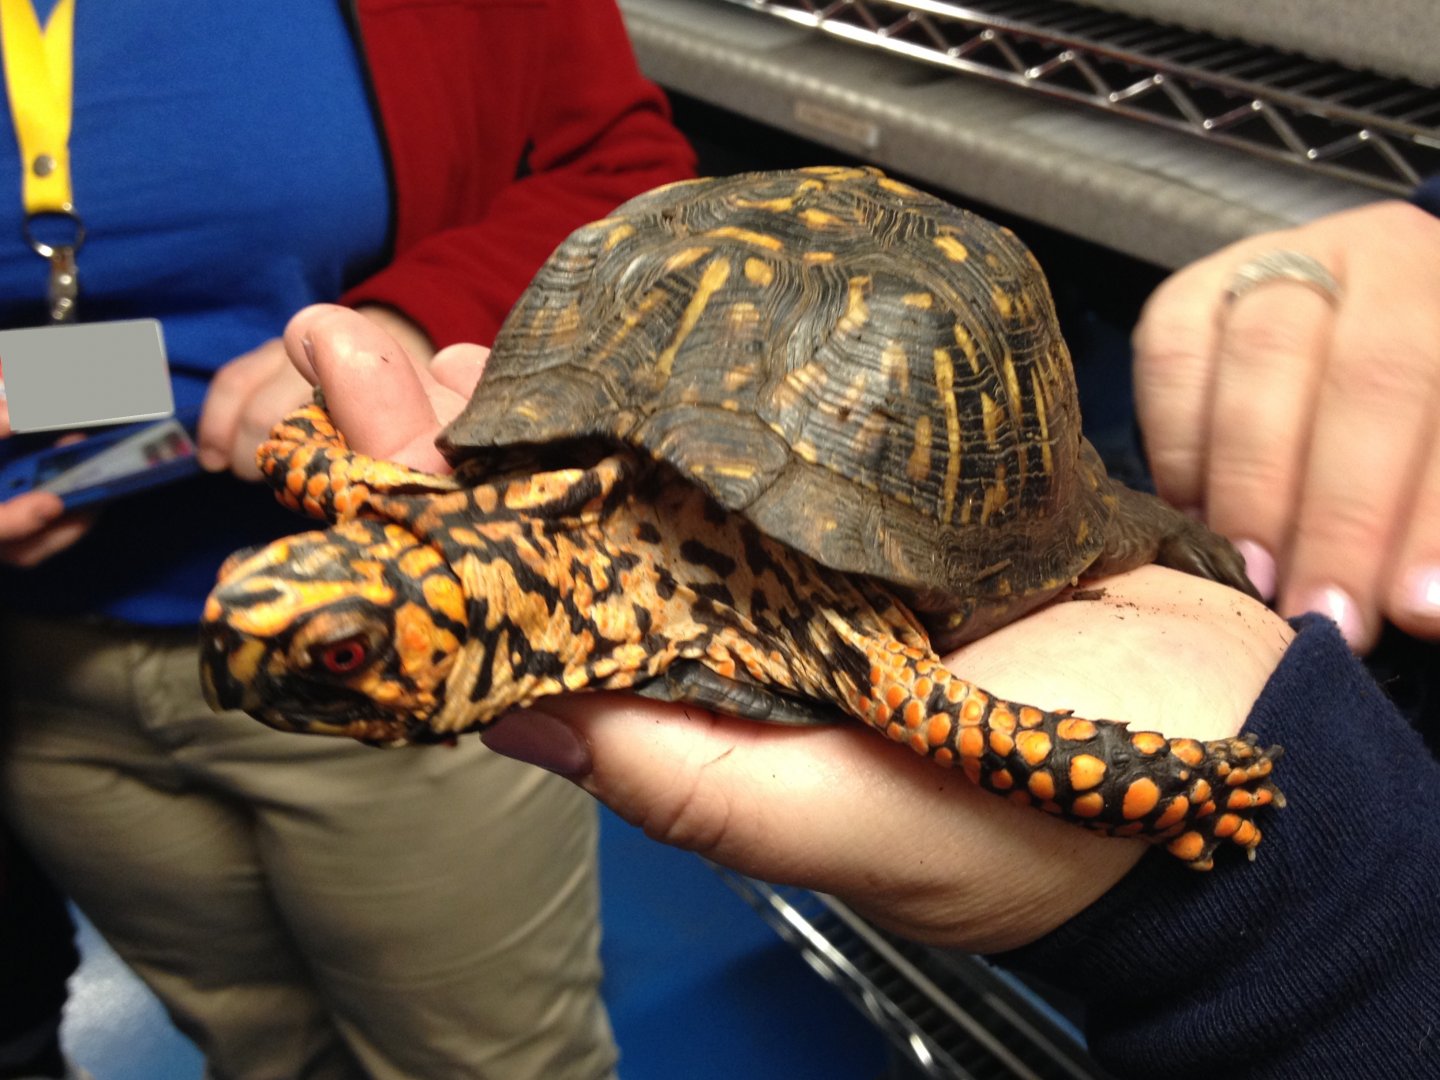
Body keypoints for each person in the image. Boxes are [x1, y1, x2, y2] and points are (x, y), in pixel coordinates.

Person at [277, 172, 1440, 1075]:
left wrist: (1204, 800)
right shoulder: (507, 529)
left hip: (901, 484)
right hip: (623, 350)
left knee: (949, 726)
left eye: (350, 655)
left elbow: (967, 719)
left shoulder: (829, 628)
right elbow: (320, 456)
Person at [0, 3, 695, 1078]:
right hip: (44, 676)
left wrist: (405, 328)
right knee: (256, 1046)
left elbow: (626, 173)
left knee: (490, 1058)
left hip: (396, 620)